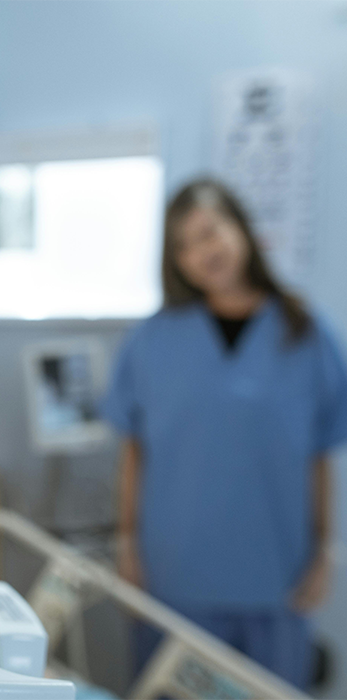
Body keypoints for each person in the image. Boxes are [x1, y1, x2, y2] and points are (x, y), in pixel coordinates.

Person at [100, 178, 347, 689]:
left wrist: (323, 549)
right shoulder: (152, 340)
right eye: (183, 246)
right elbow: (134, 455)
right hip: (175, 575)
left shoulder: (304, 333)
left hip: (275, 576)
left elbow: (319, 456)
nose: (200, 253)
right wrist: (127, 545)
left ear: (241, 230)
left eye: (209, 233)